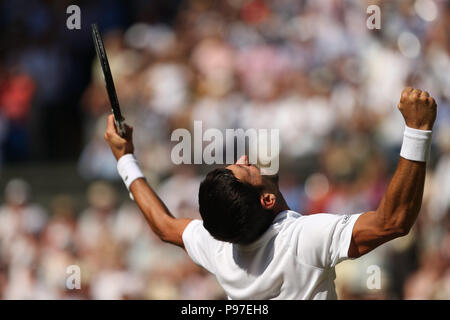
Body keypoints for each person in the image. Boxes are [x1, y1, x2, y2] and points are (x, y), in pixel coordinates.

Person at [104, 87, 437, 299]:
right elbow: (393, 222)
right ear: (265, 199)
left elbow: (163, 225)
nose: (246, 159)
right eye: (245, 169)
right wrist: (417, 131)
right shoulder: (303, 239)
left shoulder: (219, 249)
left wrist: (125, 159)